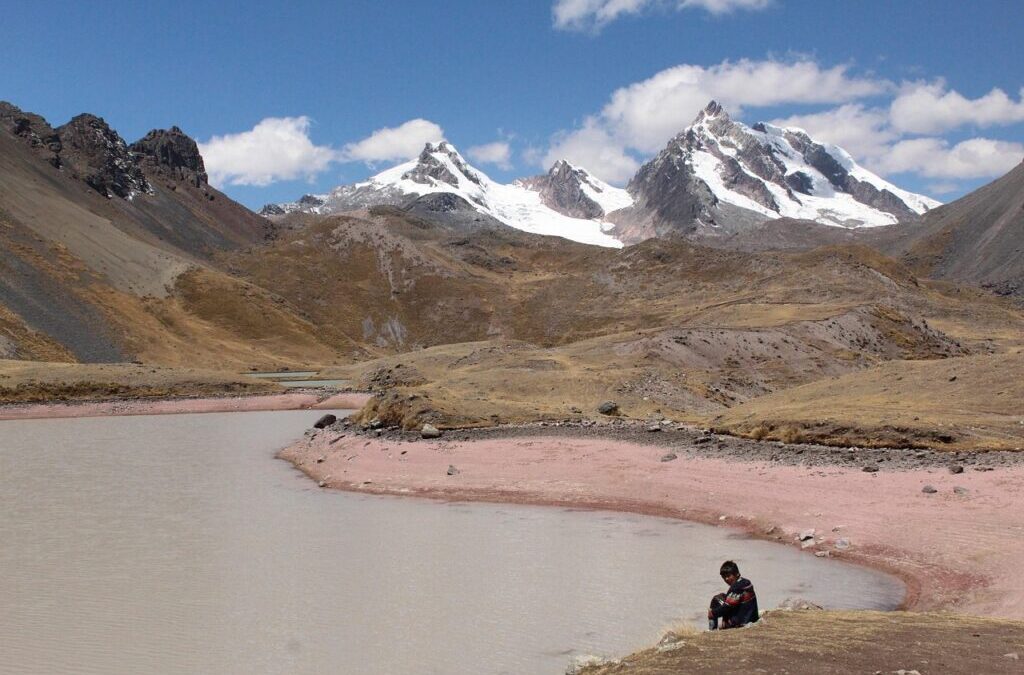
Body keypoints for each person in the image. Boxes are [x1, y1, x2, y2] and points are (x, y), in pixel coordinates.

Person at [708, 560, 759, 630]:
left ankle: (712, 630)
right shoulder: (746, 582)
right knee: (722, 596)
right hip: (752, 618)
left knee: (716, 600)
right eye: (724, 577)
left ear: (737, 574)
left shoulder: (736, 587)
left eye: (728, 576)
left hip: (742, 622)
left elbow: (727, 607)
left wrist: (712, 613)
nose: (726, 579)